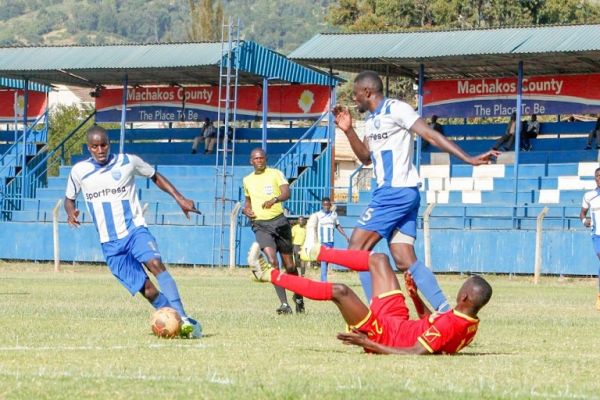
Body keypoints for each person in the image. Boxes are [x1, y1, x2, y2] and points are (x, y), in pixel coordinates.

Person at [328, 70, 497, 310]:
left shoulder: (397, 109)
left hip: (394, 192)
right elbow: (365, 157)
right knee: (404, 258)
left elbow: (430, 134)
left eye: (355, 94)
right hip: (399, 194)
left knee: (356, 250)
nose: (354, 99)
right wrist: (348, 130)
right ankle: (445, 311)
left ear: (367, 92)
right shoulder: (372, 120)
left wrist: (467, 158)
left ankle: (378, 314)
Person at [65, 125, 202, 338]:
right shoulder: (79, 171)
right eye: (95, 146)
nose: (100, 150)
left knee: (156, 264)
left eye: (104, 145)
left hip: (134, 230)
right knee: (148, 291)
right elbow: (69, 198)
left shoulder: (127, 161)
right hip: (110, 244)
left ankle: (183, 319)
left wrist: (180, 198)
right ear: (88, 148)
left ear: (109, 144)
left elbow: (155, 175)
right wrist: (70, 211)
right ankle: (177, 321)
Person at [249, 247, 492, 355]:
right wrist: (415, 296)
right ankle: (316, 251)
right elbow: (430, 324)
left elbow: (416, 352)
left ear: (465, 296)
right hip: (398, 322)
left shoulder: (452, 325)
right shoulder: (469, 321)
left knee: (340, 291)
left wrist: (368, 343)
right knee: (379, 260)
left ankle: (268, 274)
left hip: (383, 334)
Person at [243, 148, 305, 314]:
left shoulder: (275, 173)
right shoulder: (247, 180)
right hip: (260, 225)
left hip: (280, 222)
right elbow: (247, 202)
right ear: (251, 161)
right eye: (256, 158)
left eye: (261, 158)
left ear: (266, 159)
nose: (259, 161)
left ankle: (298, 296)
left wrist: (275, 199)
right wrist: (246, 210)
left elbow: (287, 192)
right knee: (272, 261)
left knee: (290, 266)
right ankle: (284, 304)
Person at [313, 197, 349, 282]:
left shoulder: (334, 215)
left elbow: (337, 226)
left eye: (327, 205)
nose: (326, 206)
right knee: (324, 261)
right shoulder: (318, 215)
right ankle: (324, 282)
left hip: (331, 242)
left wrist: (345, 235)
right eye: (324, 205)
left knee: (327, 261)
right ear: (322, 205)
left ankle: (323, 280)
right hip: (322, 241)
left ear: (330, 205)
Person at [580, 167, 600, 310]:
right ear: (595, 178)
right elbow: (582, 213)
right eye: (598, 176)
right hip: (597, 235)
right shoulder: (589, 196)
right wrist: (584, 221)